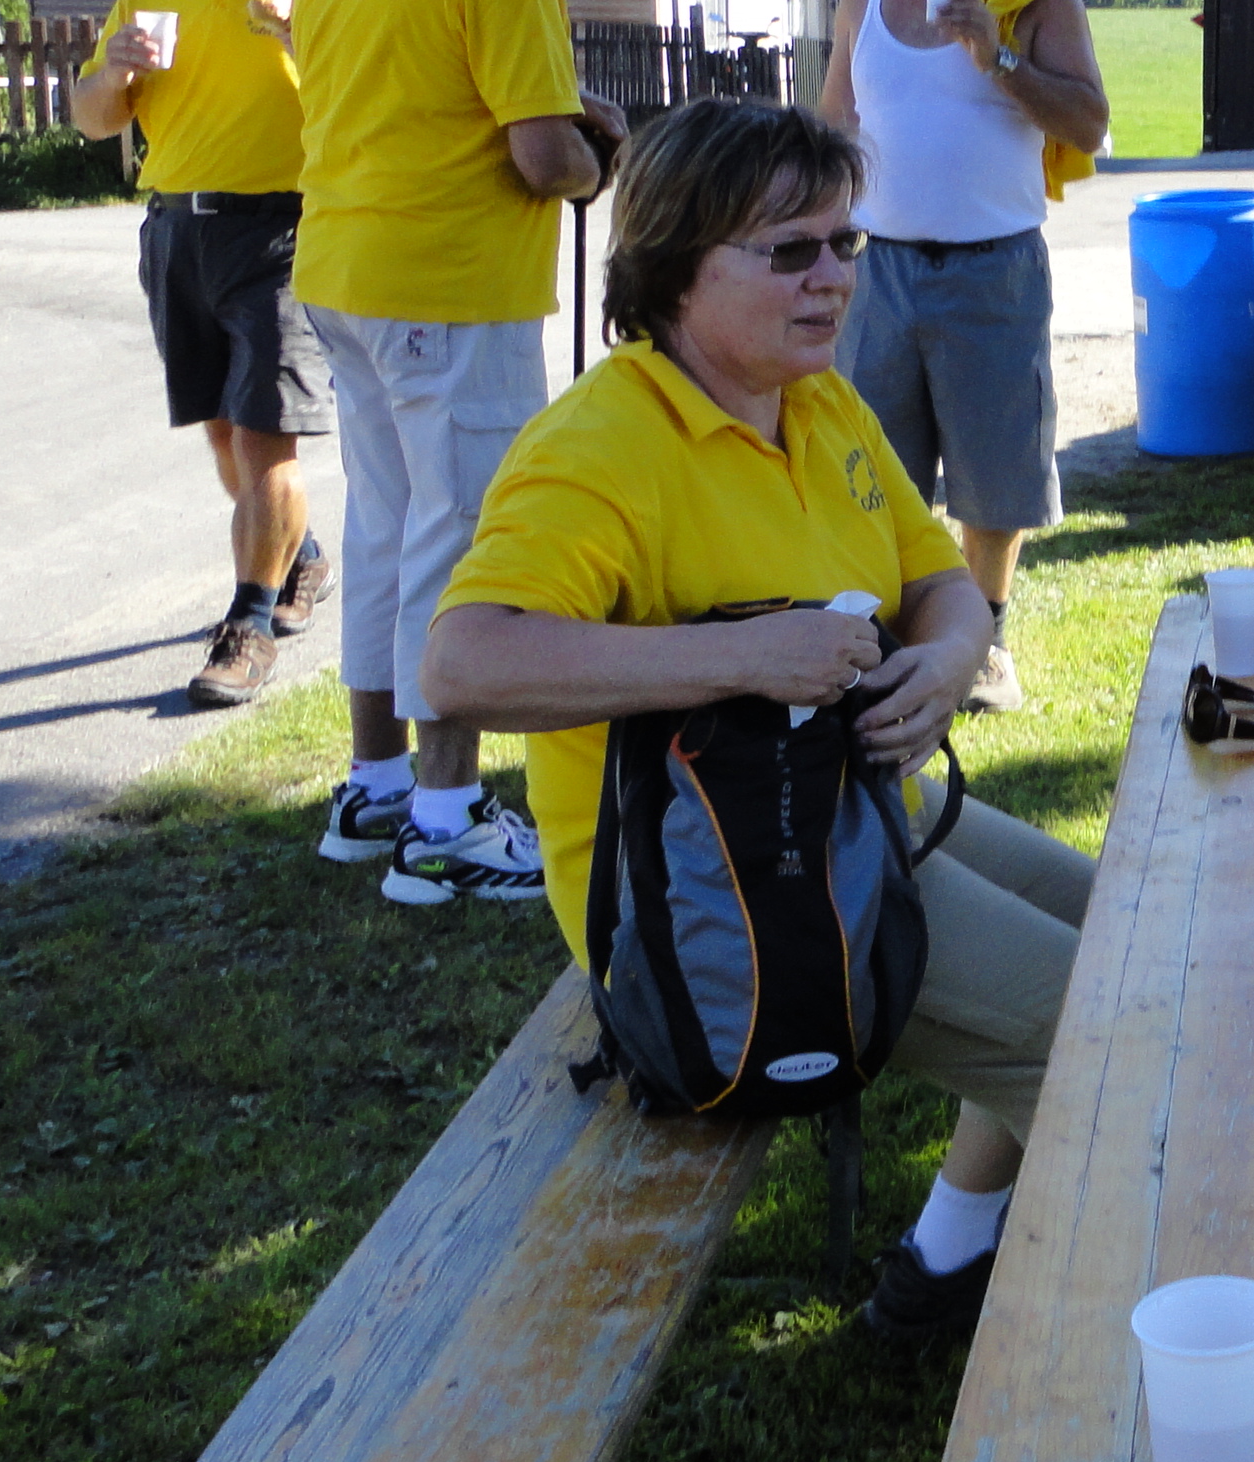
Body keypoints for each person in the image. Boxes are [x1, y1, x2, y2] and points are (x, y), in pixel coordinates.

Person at [420, 97, 1088, 1347]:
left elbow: (938, 580)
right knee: (1107, 1034)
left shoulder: (815, 401)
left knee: (1125, 932)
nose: (833, 277)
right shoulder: (601, 447)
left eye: (845, 243)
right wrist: (736, 657)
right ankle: (1092, 1341)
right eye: (790, 251)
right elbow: (462, 665)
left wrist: (948, 659)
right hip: (699, 896)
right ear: (676, 266)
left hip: (831, 812)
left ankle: (944, 1262)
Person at [292, 0, 615, 904]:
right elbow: (541, 158)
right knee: (466, 536)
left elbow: (417, 93)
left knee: (384, 524)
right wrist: (593, 163)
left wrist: (566, 122)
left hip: (344, 266)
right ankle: (446, 818)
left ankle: (376, 783)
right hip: (450, 284)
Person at [824, 0, 1110, 716]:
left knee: (994, 478)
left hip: (994, 271)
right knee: (874, 470)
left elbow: (1089, 123)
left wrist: (1001, 57)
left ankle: (985, 643)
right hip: (880, 271)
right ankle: (890, 638)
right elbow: (832, 127)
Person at [66, 0, 336, 710]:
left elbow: (367, 104)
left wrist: (301, 40)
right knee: (223, 432)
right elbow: (92, 120)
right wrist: (113, 71)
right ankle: (300, 554)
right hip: (178, 233)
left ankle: (249, 624)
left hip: (283, 234)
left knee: (264, 437)